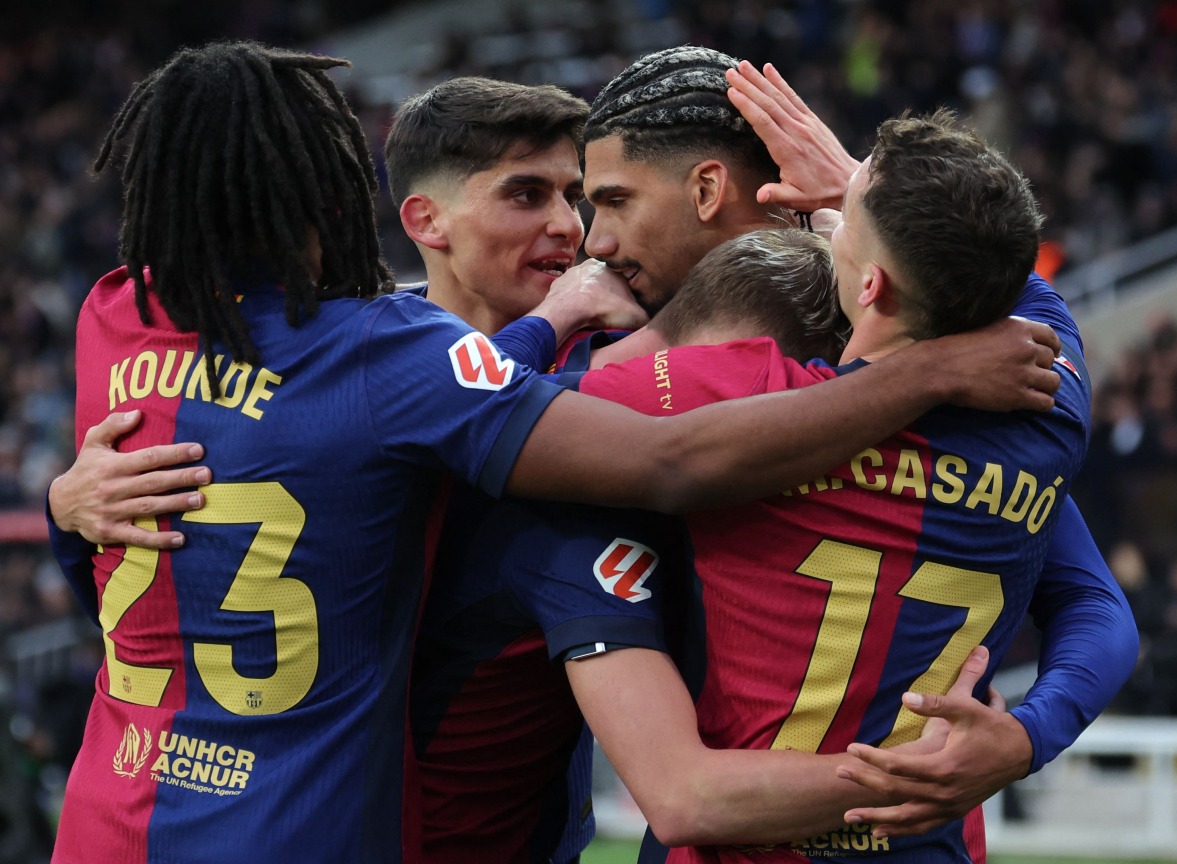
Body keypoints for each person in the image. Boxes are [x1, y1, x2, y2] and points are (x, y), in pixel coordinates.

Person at [47, 41, 1060, 864]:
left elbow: (131, 563)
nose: (574, 233)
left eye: (582, 198)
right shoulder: (395, 362)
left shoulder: (118, 317)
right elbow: (668, 462)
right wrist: (927, 371)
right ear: (361, 207)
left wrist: (61, 511)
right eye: (529, 196)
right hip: (300, 833)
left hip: (109, 816)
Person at [571, 70, 1103, 863]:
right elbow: (1097, 607)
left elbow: (512, 411)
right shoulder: (1048, 406)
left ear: (870, 281)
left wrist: (565, 319)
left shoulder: (737, 392)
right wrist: (1025, 737)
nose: (823, 213)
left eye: (845, 213)